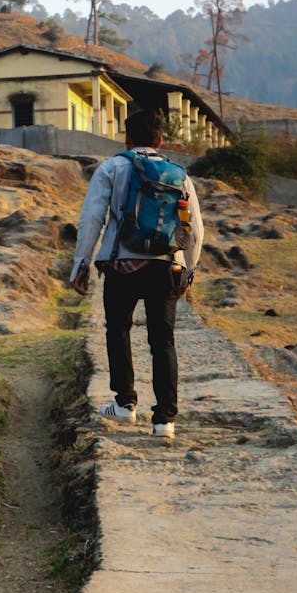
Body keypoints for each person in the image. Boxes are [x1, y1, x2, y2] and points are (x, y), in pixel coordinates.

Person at [70, 108, 203, 439]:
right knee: (163, 341)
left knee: (118, 329)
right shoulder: (178, 174)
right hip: (165, 266)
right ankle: (164, 421)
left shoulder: (112, 168)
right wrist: (188, 269)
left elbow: (92, 219)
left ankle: (125, 404)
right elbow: (196, 229)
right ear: (160, 140)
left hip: (121, 265)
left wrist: (81, 263)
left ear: (127, 139)